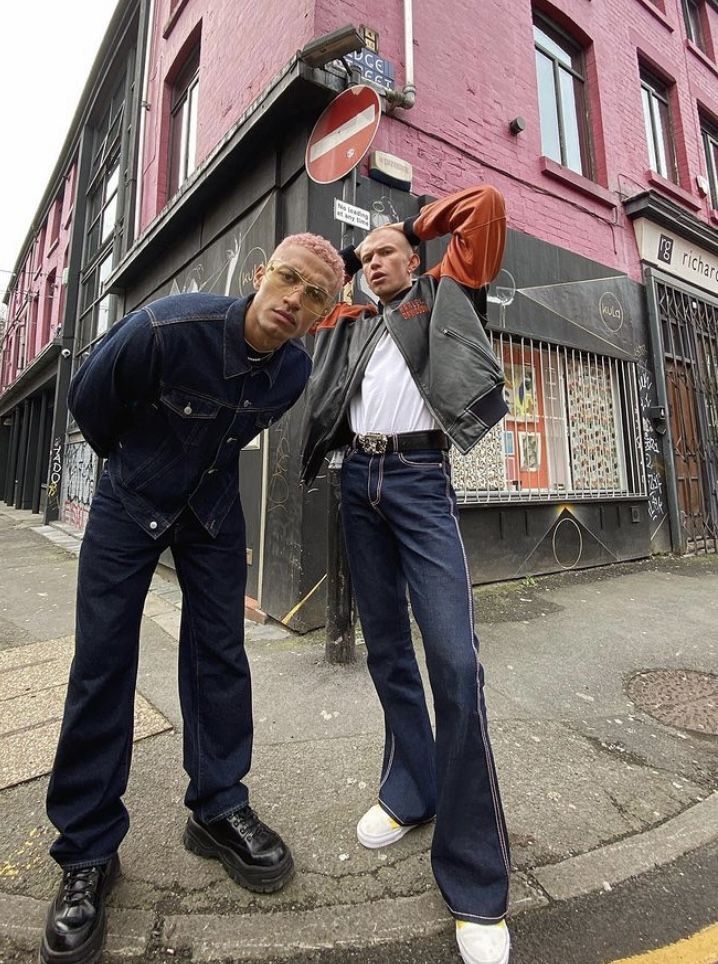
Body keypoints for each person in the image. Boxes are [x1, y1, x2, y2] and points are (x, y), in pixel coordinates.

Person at [40, 234, 345, 964]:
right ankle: (87, 851)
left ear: (322, 317)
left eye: (314, 298)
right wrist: (140, 465)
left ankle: (216, 808)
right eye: (288, 280)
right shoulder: (168, 327)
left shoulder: (293, 370)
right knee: (103, 663)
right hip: (129, 498)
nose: (293, 302)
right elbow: (90, 401)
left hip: (209, 510)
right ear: (260, 273)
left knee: (220, 655)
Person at [301, 185, 512, 964]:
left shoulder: (447, 289)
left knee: (455, 665)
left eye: (384, 254)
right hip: (357, 484)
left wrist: (405, 223)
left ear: (414, 257)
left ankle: (475, 881)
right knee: (387, 652)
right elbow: (296, 298)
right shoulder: (351, 320)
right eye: (365, 259)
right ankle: (409, 788)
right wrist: (326, 261)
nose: (372, 265)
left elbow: (485, 204)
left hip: (422, 484)